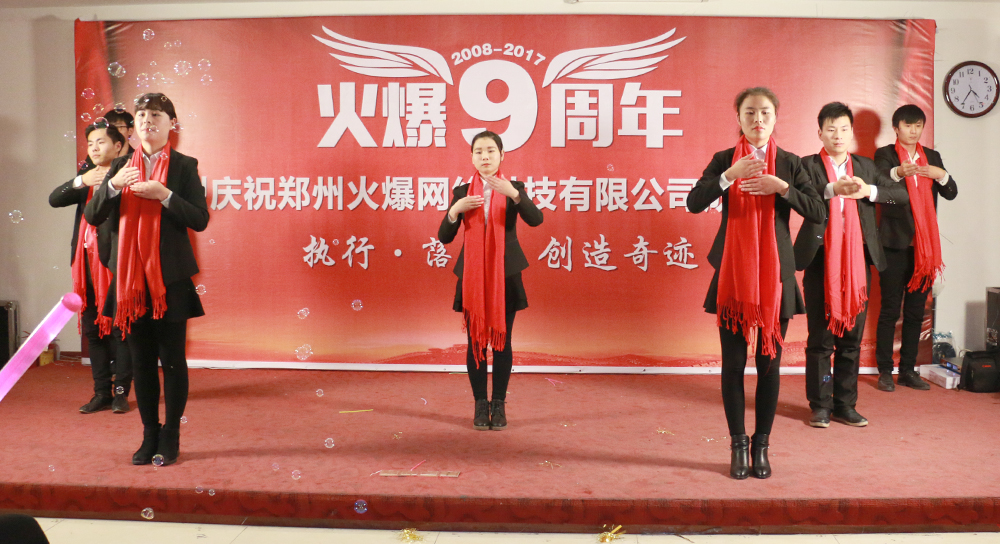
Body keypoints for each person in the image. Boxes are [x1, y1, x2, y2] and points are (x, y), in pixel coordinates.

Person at [687, 87, 825, 479]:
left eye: (765, 112)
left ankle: (761, 445)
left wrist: (781, 187)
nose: (758, 119)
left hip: (776, 278)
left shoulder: (791, 163)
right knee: (733, 364)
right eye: (750, 112)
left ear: (775, 117)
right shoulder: (723, 160)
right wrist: (729, 177)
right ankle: (738, 445)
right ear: (739, 118)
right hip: (733, 274)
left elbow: (818, 210)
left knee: (769, 364)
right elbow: (694, 202)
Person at [85, 93, 209, 466]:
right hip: (129, 282)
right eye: (141, 115)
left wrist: (165, 195)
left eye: (156, 114)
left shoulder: (185, 166)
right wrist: (112, 185)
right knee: (141, 362)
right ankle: (149, 433)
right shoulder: (120, 165)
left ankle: (170, 436)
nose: (147, 120)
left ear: (171, 123)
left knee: (172, 361)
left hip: (168, 280)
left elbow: (199, 219)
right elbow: (92, 216)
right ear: (134, 126)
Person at [793, 102, 909, 428]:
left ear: (851, 132)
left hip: (858, 260)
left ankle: (845, 405)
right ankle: (820, 405)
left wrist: (868, 191)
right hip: (820, 259)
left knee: (851, 339)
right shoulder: (806, 166)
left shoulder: (866, 166)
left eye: (844, 129)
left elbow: (900, 195)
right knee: (821, 339)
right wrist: (833, 189)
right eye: (831, 129)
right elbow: (799, 198)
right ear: (820, 133)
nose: (838, 135)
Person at [438, 130, 543, 431]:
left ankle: (498, 404)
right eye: (479, 151)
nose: (485, 156)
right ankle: (479, 404)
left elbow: (536, 220)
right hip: (472, 276)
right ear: (472, 157)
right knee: (475, 342)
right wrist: (455, 211)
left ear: (502, 155)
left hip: (504, 275)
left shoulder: (514, 188)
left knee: (502, 341)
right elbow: (444, 237)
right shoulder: (462, 191)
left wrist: (514, 194)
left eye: (490, 151)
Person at [48, 121, 133, 414]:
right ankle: (101, 392)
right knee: (93, 330)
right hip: (84, 265)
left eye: (101, 142)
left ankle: (121, 392)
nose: (94, 148)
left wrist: (112, 183)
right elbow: (54, 199)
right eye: (91, 144)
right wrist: (81, 181)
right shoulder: (86, 176)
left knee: (120, 329)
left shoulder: (126, 175)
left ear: (118, 146)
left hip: (114, 263)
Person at [873, 105, 958, 391]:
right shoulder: (885, 155)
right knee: (889, 310)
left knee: (915, 311)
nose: (913, 131)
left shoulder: (931, 156)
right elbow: (879, 184)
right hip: (894, 244)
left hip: (924, 248)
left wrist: (940, 174)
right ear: (896, 128)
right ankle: (885, 370)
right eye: (908, 125)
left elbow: (951, 192)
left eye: (918, 125)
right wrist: (898, 172)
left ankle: (908, 370)